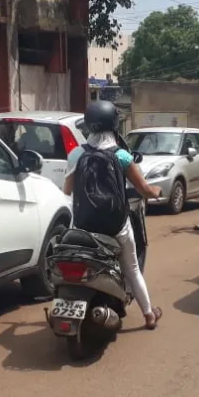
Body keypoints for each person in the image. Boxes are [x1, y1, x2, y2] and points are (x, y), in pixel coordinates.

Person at [63, 101, 164, 330]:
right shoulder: (122, 156)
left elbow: (67, 191)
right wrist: (156, 191)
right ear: (114, 124)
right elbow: (145, 190)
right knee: (132, 268)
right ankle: (149, 315)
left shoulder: (76, 154)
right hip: (116, 226)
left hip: (83, 225)